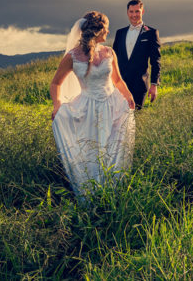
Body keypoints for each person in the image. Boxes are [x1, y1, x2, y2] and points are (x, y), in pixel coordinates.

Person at [50, 11, 135, 198]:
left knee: (112, 147)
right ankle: (92, 192)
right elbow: (56, 83)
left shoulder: (109, 52)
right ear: (98, 31)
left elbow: (118, 81)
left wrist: (128, 96)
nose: (108, 31)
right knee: (92, 150)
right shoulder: (72, 57)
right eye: (106, 27)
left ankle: (113, 190)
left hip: (112, 105)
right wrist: (57, 105)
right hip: (87, 109)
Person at [112, 0, 161, 110]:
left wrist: (154, 85)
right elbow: (113, 59)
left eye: (137, 11)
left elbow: (156, 60)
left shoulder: (151, 33)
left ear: (142, 12)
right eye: (131, 12)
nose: (134, 15)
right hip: (120, 84)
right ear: (127, 12)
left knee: (136, 118)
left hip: (140, 84)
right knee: (118, 118)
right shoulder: (120, 33)